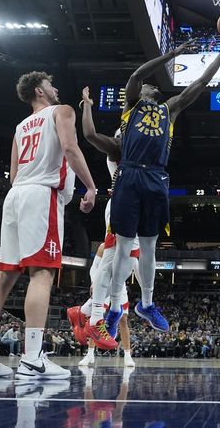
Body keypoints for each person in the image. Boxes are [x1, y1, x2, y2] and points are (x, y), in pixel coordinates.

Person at [0, 71, 97, 379]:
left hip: (16, 195)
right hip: (41, 195)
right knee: (42, 273)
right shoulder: (62, 111)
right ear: (39, 90)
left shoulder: (20, 126)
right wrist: (90, 187)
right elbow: (70, 148)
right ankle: (33, 358)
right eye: (50, 84)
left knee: (4, 275)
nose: (56, 88)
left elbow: (13, 175)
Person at [103, 36, 220, 340]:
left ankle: (146, 304)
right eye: (148, 86)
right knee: (123, 246)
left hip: (156, 177)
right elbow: (136, 75)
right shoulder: (131, 106)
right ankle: (113, 307)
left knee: (149, 245)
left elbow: (202, 81)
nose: (151, 86)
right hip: (129, 173)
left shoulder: (170, 110)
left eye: (154, 86)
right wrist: (172, 54)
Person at [69, 98, 140, 351]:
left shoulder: (137, 155)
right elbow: (90, 134)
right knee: (114, 259)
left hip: (133, 209)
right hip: (121, 206)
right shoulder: (118, 149)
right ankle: (93, 316)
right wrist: (88, 106)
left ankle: (85, 311)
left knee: (126, 262)